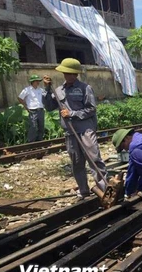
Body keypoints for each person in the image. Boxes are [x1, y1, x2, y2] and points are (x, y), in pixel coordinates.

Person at [43, 58, 107, 198]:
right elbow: (48, 107)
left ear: (75, 74)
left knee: (94, 159)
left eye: (70, 73)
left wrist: (72, 113)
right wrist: (47, 90)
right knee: (77, 163)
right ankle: (84, 191)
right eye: (66, 73)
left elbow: (91, 109)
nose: (68, 76)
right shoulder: (59, 90)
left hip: (85, 130)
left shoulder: (85, 88)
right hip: (70, 132)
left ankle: (105, 189)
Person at [18, 74, 45, 143]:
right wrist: (25, 106)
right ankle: (31, 142)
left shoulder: (41, 90)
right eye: (36, 81)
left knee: (41, 126)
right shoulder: (27, 90)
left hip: (40, 110)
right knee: (33, 126)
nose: (38, 82)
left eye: (38, 81)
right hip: (32, 110)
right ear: (32, 82)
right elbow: (20, 98)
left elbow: (46, 96)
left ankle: (40, 141)